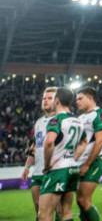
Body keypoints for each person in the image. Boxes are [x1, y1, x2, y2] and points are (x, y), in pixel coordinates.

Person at [38, 87, 87, 221]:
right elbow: (84, 142)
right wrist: (73, 157)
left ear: (57, 100)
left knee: (44, 215)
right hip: (72, 168)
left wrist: (47, 164)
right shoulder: (78, 121)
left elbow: (49, 142)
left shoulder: (56, 120)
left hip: (57, 170)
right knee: (65, 213)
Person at [22, 87, 58, 220]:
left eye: (50, 98)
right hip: (38, 171)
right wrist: (27, 167)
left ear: (57, 101)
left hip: (55, 170)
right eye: (44, 98)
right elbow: (34, 146)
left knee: (58, 209)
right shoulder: (39, 122)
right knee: (38, 207)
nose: (45, 101)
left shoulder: (62, 119)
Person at [75, 87, 102, 221]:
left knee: (83, 200)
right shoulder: (80, 118)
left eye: (80, 98)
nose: (77, 102)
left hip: (93, 162)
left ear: (90, 98)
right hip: (79, 162)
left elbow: (100, 141)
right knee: (80, 203)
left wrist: (87, 165)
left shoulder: (99, 114)